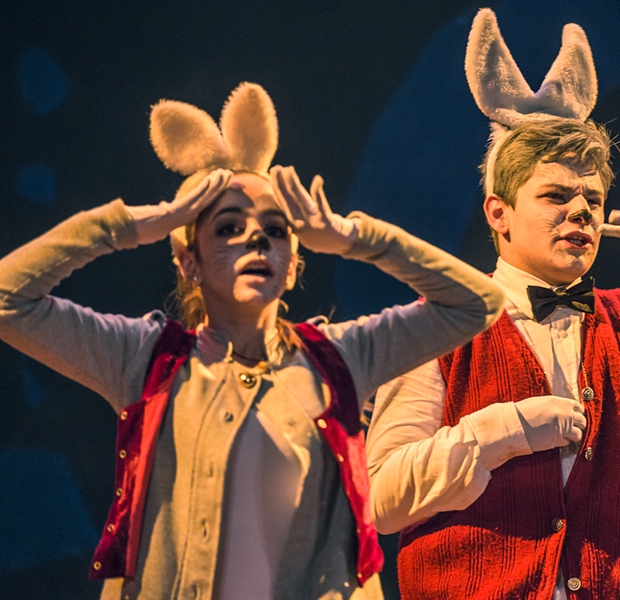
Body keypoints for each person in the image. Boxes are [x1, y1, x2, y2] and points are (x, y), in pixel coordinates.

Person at [0, 82, 504, 600]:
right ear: (188, 260)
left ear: (293, 265)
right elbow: (6, 299)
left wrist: (353, 237)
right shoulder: (145, 358)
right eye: (227, 228)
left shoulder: (340, 357)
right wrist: (135, 224)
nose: (256, 238)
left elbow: (478, 303)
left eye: (276, 229)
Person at [365, 10, 620, 600]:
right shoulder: (438, 324)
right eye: (556, 195)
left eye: (592, 199)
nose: (581, 211)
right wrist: (501, 431)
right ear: (498, 213)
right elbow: (380, 499)